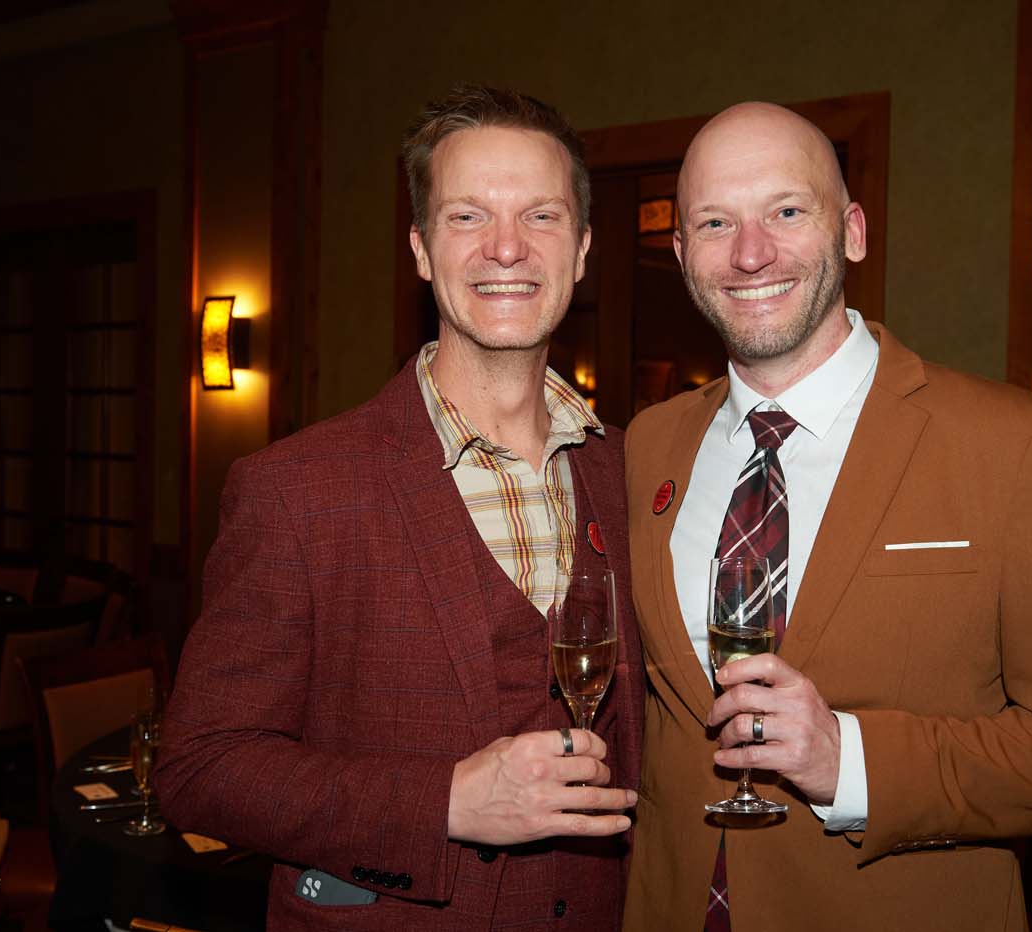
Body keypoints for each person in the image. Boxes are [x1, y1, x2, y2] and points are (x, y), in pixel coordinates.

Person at [621, 101, 1032, 932]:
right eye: (716, 222)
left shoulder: (1015, 445)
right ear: (685, 253)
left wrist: (853, 761)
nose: (752, 251)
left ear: (853, 231)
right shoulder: (649, 444)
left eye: (787, 211)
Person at [156, 85, 643, 931]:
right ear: (421, 250)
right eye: (466, 217)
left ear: (583, 248)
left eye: (541, 216)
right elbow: (199, 767)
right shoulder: (296, 489)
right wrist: (443, 801)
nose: (505, 248)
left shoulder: (636, 470)